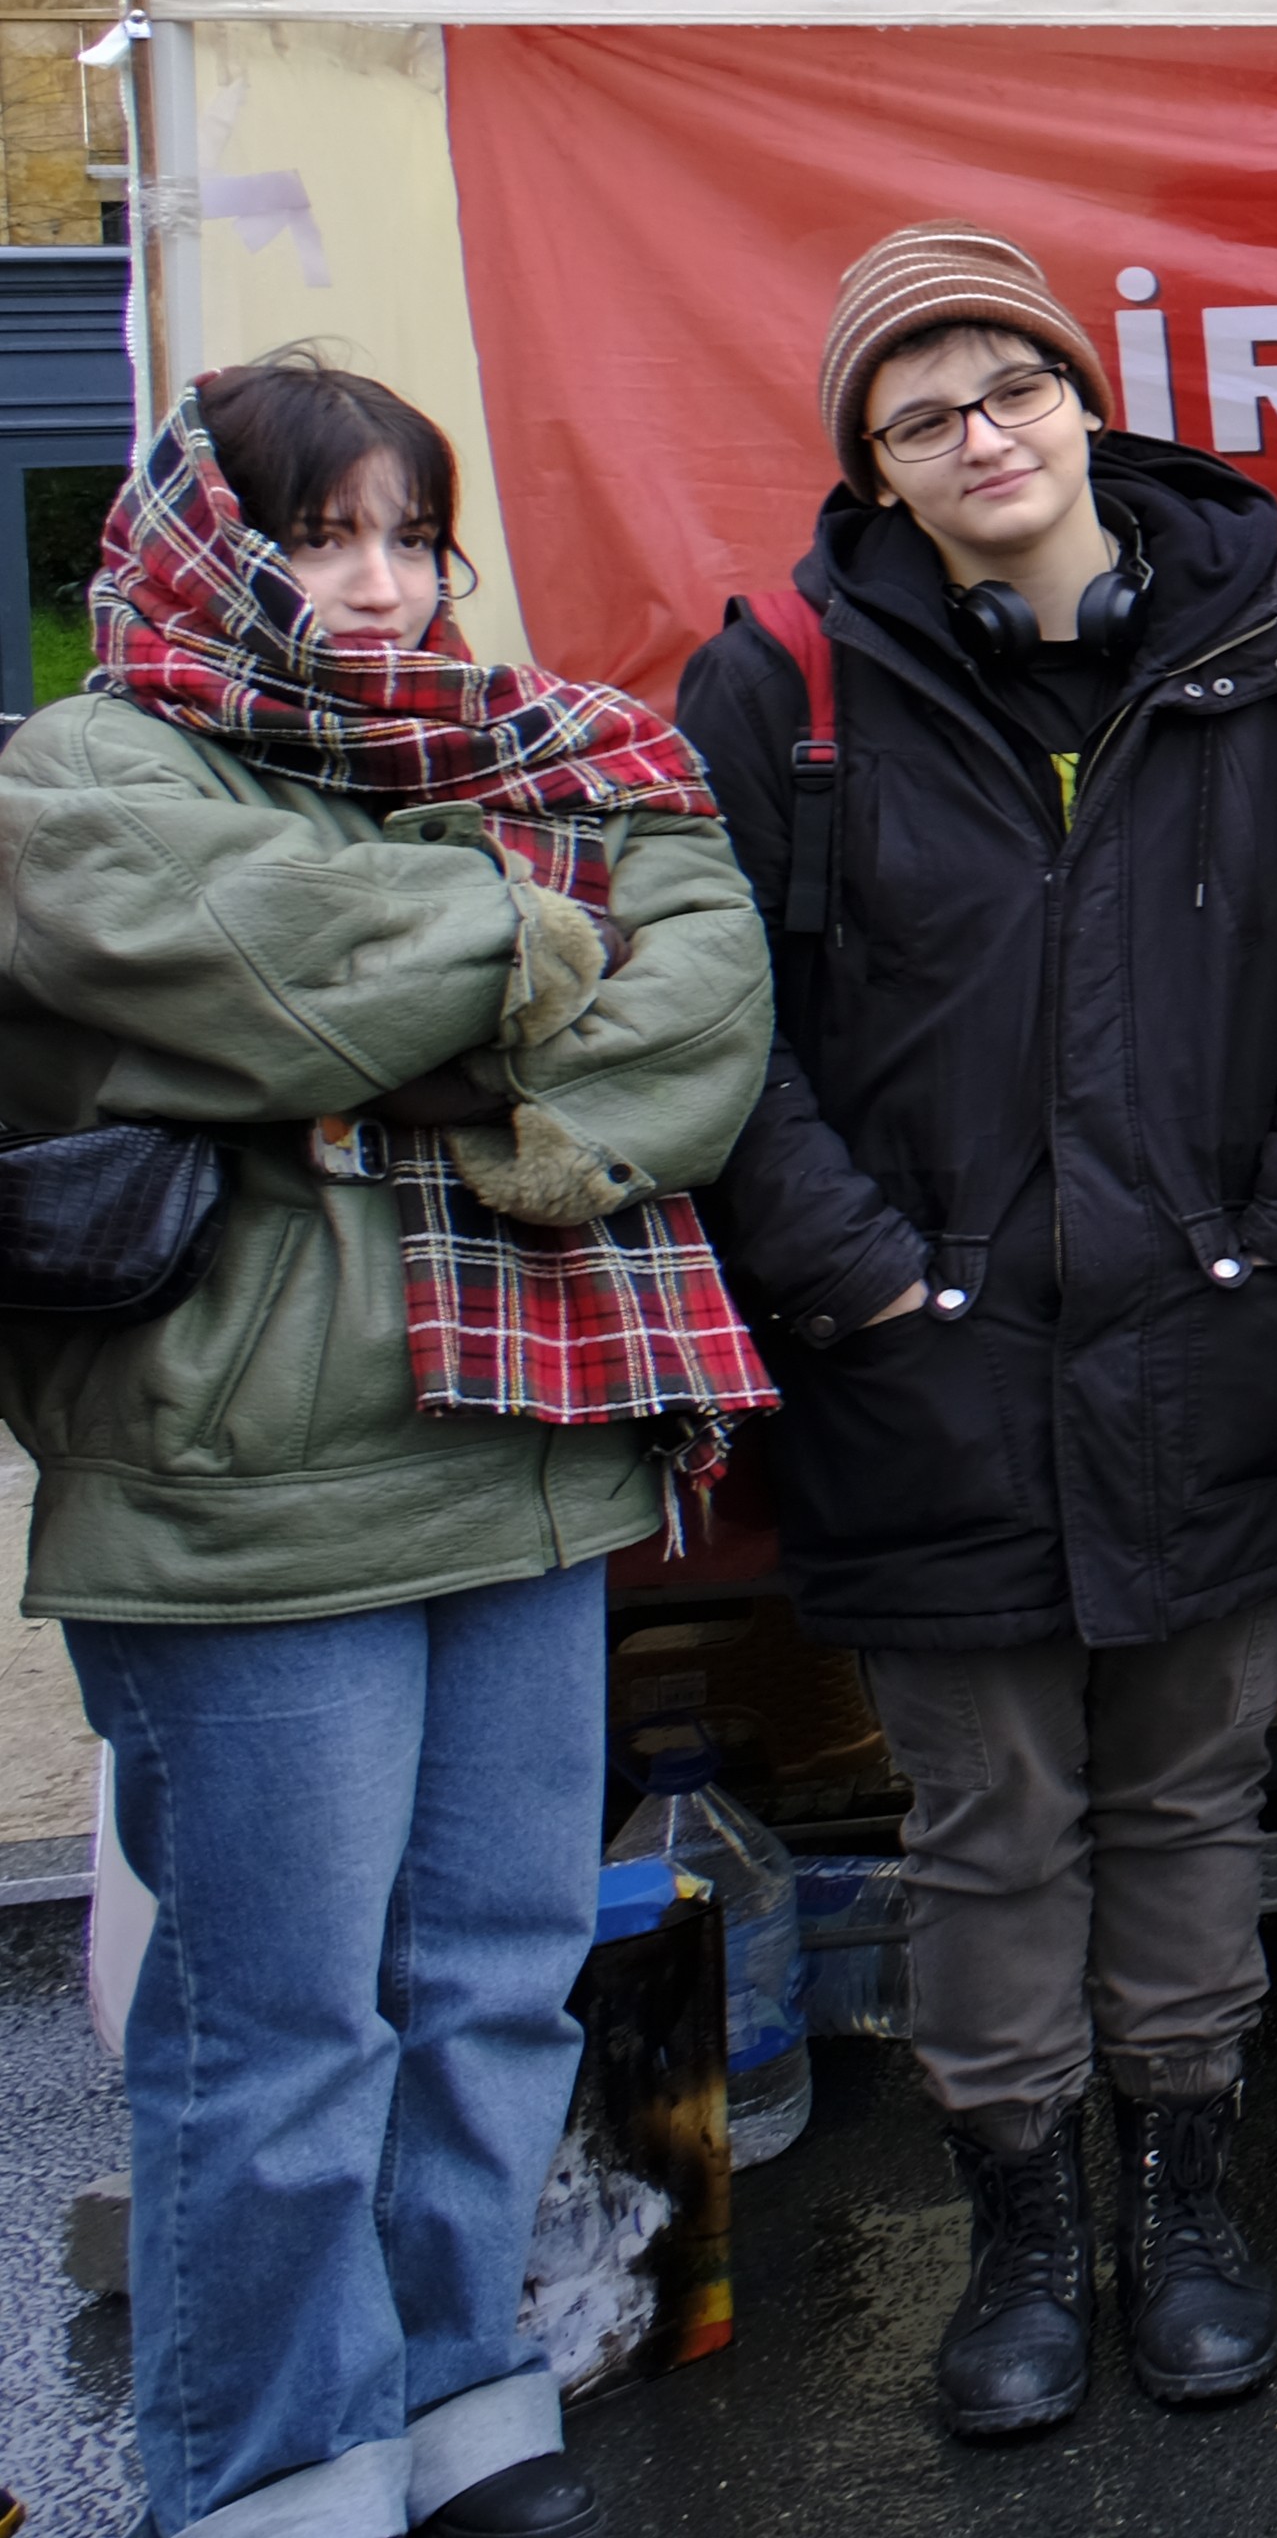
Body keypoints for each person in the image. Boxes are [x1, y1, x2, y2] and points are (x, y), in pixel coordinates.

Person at [0, 363, 772, 2538]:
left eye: (410, 534)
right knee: (279, 2044)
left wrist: (429, 1079)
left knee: (497, 1991)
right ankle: (271, 2471)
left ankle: (464, 2406)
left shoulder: (566, 741)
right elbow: (279, 972)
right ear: (205, 553)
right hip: (249, 1493)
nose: (377, 581)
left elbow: (705, 1009)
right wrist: (532, 943)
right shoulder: (85, 770)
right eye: (319, 534)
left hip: (528, 1450)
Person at [675, 226, 1277, 2437]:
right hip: (927, 1371)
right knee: (992, 1823)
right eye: (922, 417)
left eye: (1011, 388)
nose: (980, 437)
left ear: (1089, 397)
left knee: (1187, 1801)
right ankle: (1019, 2234)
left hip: (1214, 1347)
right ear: (873, 473)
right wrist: (865, 1274)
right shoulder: (778, 684)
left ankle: (1183, 2207)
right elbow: (718, 1028)